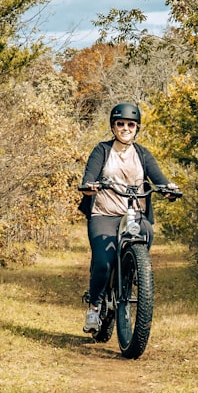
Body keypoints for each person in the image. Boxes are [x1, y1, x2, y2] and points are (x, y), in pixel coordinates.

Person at [78, 102, 179, 334]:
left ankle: (133, 273)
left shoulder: (142, 154)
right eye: (120, 123)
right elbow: (89, 176)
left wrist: (167, 187)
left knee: (148, 233)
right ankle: (94, 306)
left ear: (137, 127)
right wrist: (90, 186)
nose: (125, 128)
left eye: (130, 124)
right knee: (104, 261)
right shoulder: (101, 151)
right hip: (105, 214)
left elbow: (158, 178)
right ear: (113, 126)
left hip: (135, 214)